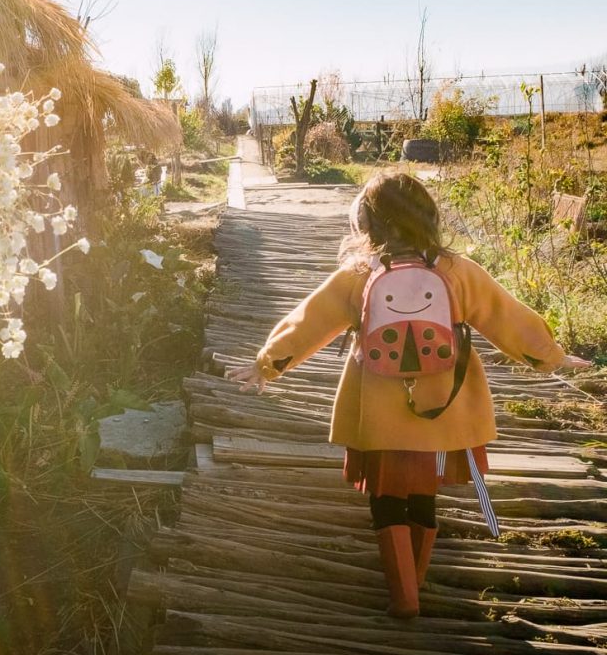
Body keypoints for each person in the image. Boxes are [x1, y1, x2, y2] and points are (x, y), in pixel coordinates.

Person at [230, 172, 590, 619]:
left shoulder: (359, 274)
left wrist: (268, 363)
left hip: (379, 413)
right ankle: (414, 582)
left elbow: (310, 319)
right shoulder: (456, 271)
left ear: (368, 222)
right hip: (443, 413)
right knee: (424, 495)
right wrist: (551, 356)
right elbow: (504, 314)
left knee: (385, 498)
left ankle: (403, 597)